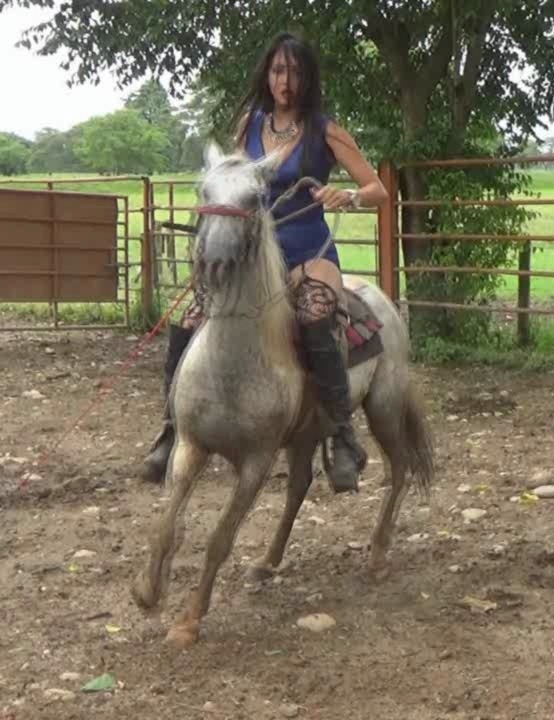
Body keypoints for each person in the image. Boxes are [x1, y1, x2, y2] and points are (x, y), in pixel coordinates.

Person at [140, 32, 389, 494]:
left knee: (316, 316)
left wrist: (349, 195)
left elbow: (379, 190)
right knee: (188, 320)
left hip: (306, 252)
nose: (285, 81)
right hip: (251, 255)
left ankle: (343, 437)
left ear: (307, 77)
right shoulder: (249, 125)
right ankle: (172, 429)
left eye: (295, 72)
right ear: (267, 75)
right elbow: (232, 179)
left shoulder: (325, 131)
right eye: (278, 71)